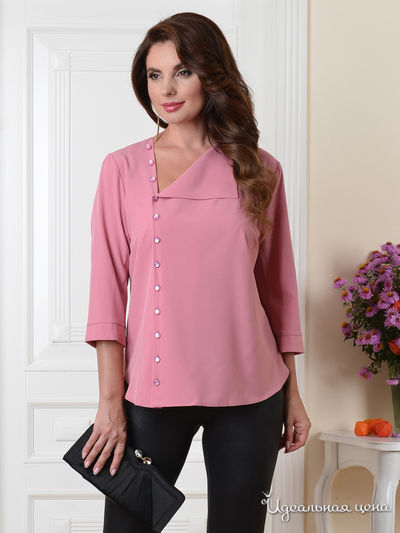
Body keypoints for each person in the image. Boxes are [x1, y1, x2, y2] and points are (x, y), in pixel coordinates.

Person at [81, 11, 311, 533]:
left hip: (252, 392)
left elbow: (277, 292)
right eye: (154, 74)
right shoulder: (122, 169)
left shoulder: (260, 169)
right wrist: (110, 403)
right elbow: (106, 293)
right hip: (153, 393)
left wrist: (293, 393)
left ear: (211, 74)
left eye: (182, 71)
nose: (166, 89)